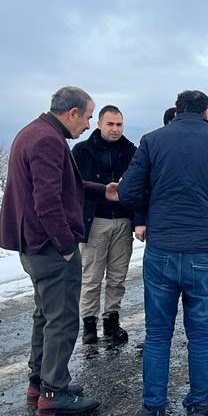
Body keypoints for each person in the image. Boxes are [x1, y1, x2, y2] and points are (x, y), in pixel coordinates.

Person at [117, 90, 208, 416]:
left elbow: (127, 193)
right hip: (203, 253)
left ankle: (152, 412)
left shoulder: (152, 141)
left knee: (158, 334)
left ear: (177, 111)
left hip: (162, 250)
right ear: (207, 112)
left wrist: (154, 212)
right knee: (200, 334)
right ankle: (198, 409)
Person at [0, 87, 117, 416]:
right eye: (89, 117)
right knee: (61, 319)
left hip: (33, 245)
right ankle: (54, 392)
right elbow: (46, 201)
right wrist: (65, 247)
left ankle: (40, 382)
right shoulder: (48, 140)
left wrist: (102, 190)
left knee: (45, 315)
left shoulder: (34, 132)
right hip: (48, 247)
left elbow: (65, 187)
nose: (89, 125)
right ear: (72, 113)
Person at [72, 104, 142, 345]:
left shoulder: (132, 152)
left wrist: (139, 220)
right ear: (100, 124)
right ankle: (89, 324)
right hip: (94, 222)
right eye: (110, 124)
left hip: (122, 221)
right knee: (91, 277)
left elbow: (142, 187)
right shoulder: (82, 151)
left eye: (119, 124)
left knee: (117, 277)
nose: (115, 129)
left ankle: (111, 321)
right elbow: (71, 188)